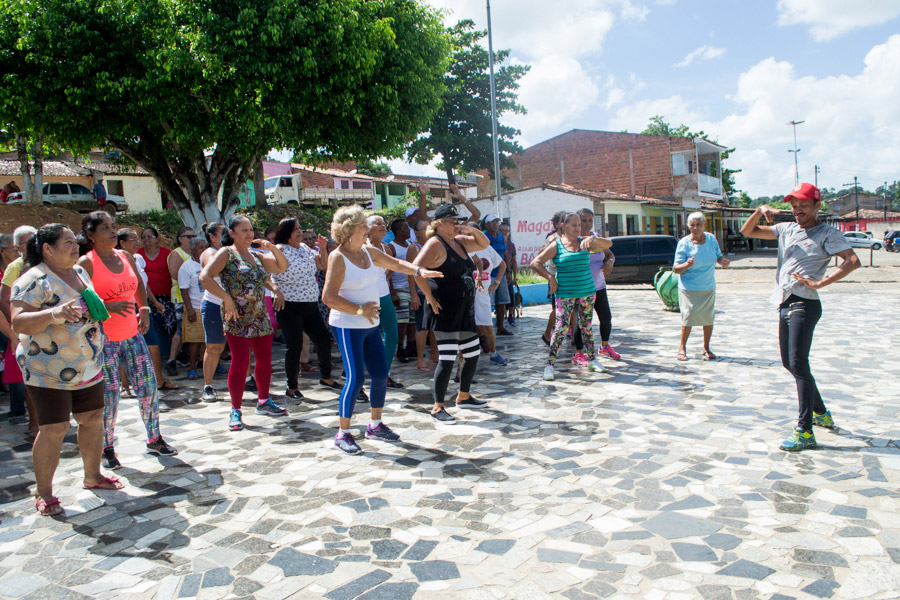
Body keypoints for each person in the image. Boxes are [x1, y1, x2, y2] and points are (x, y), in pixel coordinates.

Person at [11, 224, 125, 516]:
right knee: (54, 428)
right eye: (67, 243)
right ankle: (44, 492)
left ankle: (92, 476)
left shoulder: (79, 273)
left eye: (75, 242)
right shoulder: (33, 280)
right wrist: (54, 313)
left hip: (87, 364)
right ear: (46, 249)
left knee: (91, 417)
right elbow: (19, 322)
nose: (75, 247)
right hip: (48, 368)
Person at [741, 183, 859, 452]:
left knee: (798, 363)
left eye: (804, 205)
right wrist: (760, 209)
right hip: (784, 303)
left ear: (817, 205)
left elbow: (852, 261)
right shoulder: (786, 228)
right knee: (790, 363)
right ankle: (820, 412)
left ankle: (805, 430)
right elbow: (747, 231)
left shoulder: (826, 234)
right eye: (794, 205)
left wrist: (821, 283)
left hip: (804, 303)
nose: (798, 210)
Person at [323, 206, 442, 454]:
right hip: (347, 325)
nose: (367, 228)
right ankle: (343, 433)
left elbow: (397, 263)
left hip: (370, 323)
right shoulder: (338, 257)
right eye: (363, 224)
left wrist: (418, 270)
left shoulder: (368, 251)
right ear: (349, 228)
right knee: (355, 378)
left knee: (379, 374)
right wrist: (358, 310)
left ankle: (375, 425)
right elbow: (328, 297)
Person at [79, 212, 177, 469]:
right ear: (91, 234)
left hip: (132, 334)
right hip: (104, 340)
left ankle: (154, 437)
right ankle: (106, 446)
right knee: (110, 396)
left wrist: (143, 308)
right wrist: (108, 306)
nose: (113, 232)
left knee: (148, 387)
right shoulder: (86, 264)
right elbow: (80, 302)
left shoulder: (125, 256)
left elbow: (138, 285)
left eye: (113, 227)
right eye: (105, 228)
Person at [200, 216, 288, 431]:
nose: (249, 234)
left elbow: (281, 267)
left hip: (259, 314)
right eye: (244, 230)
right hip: (236, 315)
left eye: (251, 230)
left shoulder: (257, 255)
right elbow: (205, 277)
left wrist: (272, 248)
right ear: (232, 233)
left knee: (264, 361)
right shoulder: (226, 253)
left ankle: (264, 401)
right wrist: (226, 298)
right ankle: (236, 409)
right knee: (240, 363)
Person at [413, 204, 491, 423]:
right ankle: (438, 407)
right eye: (452, 221)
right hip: (445, 308)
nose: (456, 224)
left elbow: (485, 243)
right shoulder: (434, 244)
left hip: (464, 309)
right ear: (438, 224)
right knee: (447, 358)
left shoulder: (458, 241)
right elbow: (415, 269)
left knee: (472, 353)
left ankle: (463, 396)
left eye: (458, 220)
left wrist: (469, 228)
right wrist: (428, 296)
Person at [531, 212, 612, 381]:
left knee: (586, 326)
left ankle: (591, 359)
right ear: (564, 226)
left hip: (587, 292)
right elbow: (535, 263)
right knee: (561, 328)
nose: (578, 228)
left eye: (579, 225)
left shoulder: (585, 242)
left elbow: (609, 244)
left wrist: (594, 240)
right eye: (574, 225)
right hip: (565, 293)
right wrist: (550, 277)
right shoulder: (557, 245)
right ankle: (550, 364)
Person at [271, 217, 340, 400]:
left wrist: (323, 248)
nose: (299, 231)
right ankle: (291, 387)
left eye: (300, 228)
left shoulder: (304, 248)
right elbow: (268, 272)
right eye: (295, 229)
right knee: (295, 346)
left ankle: (326, 377)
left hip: (310, 303)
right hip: (289, 305)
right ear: (286, 232)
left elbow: (322, 265)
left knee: (324, 339)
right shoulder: (279, 249)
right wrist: (275, 290)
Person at [117, 228, 174, 394]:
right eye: (133, 239)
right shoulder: (115, 261)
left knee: (153, 342)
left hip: (142, 305)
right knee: (123, 345)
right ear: (122, 243)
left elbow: (143, 283)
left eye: (137, 239)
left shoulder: (139, 259)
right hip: (126, 307)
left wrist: (154, 302)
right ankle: (124, 385)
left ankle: (159, 380)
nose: (138, 242)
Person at [673, 212, 730, 361]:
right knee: (689, 316)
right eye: (692, 225)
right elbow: (676, 268)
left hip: (708, 285)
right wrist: (687, 264)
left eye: (699, 224)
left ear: (704, 225)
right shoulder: (684, 243)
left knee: (708, 318)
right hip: (689, 287)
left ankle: (706, 348)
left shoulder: (711, 239)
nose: (696, 227)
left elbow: (718, 255)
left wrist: (722, 261)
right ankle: (682, 348)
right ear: (688, 226)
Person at [572, 208, 620, 363]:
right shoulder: (572, 240)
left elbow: (610, 253)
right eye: (583, 220)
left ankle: (604, 346)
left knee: (606, 317)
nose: (587, 224)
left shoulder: (596, 238)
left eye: (590, 220)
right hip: (581, 287)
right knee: (583, 321)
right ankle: (579, 352)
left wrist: (610, 262)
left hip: (599, 285)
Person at [137, 227, 178, 387]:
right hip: (146, 297)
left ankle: (170, 358)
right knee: (149, 328)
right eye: (144, 237)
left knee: (169, 326)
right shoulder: (138, 254)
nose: (146, 239)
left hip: (165, 295)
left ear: (156, 238)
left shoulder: (166, 253)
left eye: (150, 236)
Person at [366, 216, 403, 389]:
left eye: (383, 223)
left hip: (383, 295)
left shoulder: (386, 248)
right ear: (367, 228)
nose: (382, 226)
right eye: (378, 223)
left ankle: (384, 374)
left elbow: (391, 270)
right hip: (365, 298)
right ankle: (354, 371)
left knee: (392, 336)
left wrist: (385, 281)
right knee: (364, 338)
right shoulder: (361, 248)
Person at [199, 223, 227, 402]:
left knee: (242, 345)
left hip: (235, 306)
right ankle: (207, 386)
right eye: (224, 234)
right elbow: (213, 269)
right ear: (212, 237)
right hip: (214, 305)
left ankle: (248, 379)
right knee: (214, 347)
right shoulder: (209, 253)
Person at [164, 227, 195, 375]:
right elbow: (175, 274)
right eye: (188, 236)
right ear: (180, 238)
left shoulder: (193, 253)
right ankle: (171, 360)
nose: (192, 238)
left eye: (193, 236)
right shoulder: (177, 254)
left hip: (194, 296)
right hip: (181, 296)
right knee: (181, 329)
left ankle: (185, 356)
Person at [471, 243, 508, 365]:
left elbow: (503, 265)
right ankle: (468, 357)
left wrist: (496, 283)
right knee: (469, 326)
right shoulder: (462, 248)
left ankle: (493, 353)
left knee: (487, 325)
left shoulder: (487, 248)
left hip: (483, 293)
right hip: (467, 294)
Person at [178, 237, 208, 380]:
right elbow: (184, 290)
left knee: (210, 340)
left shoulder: (209, 263)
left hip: (209, 306)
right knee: (195, 340)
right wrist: (189, 309)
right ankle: (192, 367)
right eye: (200, 247)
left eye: (205, 246)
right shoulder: (186, 267)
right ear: (192, 250)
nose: (204, 249)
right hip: (195, 307)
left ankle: (211, 365)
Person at [388, 219, 416, 362]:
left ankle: (411, 345)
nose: (409, 230)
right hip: (399, 286)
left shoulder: (411, 245)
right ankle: (400, 347)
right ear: (398, 231)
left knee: (412, 318)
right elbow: (389, 271)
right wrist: (392, 292)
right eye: (406, 228)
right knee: (402, 319)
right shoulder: (391, 247)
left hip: (411, 286)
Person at [482, 214, 514, 336]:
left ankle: (500, 327)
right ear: (487, 225)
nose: (495, 224)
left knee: (502, 302)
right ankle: (486, 330)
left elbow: (505, 254)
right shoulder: (484, 237)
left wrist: (508, 271)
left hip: (501, 273)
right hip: (488, 274)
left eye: (497, 222)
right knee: (487, 303)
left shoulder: (501, 237)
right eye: (492, 222)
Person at [499, 221, 518, 326]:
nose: (504, 233)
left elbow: (514, 262)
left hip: (508, 274)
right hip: (497, 273)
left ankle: (511, 315)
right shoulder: (495, 242)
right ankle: (500, 317)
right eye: (502, 230)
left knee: (511, 294)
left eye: (507, 231)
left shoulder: (511, 245)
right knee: (499, 299)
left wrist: (514, 276)